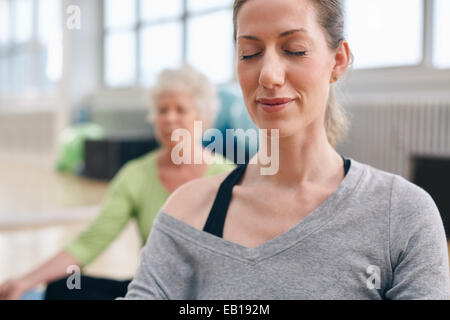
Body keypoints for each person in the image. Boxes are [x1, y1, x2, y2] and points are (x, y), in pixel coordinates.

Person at [119, 0, 450, 300]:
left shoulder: (403, 215)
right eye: (249, 53)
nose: (268, 75)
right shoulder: (187, 212)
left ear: (338, 60)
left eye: (294, 49)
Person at [0, 66, 236, 300]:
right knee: (63, 287)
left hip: (207, 297)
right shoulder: (135, 174)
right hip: (150, 291)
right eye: (162, 110)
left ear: (202, 118)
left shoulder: (228, 177)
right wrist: (25, 281)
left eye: (180, 109)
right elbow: (91, 241)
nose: (170, 118)